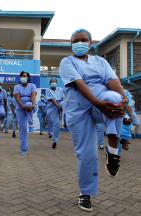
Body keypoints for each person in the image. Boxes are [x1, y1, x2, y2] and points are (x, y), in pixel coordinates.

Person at [59, 29, 126, 212]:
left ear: (90, 43)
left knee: (115, 99)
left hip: (100, 98)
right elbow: (80, 84)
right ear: (71, 43)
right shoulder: (67, 62)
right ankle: (85, 193)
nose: (79, 43)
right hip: (79, 109)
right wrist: (98, 103)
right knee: (87, 153)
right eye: (76, 40)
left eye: (83, 40)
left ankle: (113, 150)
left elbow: (112, 81)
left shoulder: (100, 61)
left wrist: (123, 98)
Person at [13, 71, 37, 155]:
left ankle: (30, 122)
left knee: (28, 103)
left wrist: (33, 105)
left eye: (25, 76)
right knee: (22, 129)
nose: (23, 77)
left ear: (28, 78)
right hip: (20, 108)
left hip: (31, 107)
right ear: (20, 77)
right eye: (22, 76)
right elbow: (17, 98)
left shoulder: (32, 86)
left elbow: (33, 96)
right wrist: (23, 106)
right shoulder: (17, 87)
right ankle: (24, 149)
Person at [46, 78, 64, 149]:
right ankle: (52, 136)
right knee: (55, 123)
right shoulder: (48, 90)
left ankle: (55, 141)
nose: (53, 83)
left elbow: (64, 98)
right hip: (52, 108)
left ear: (56, 82)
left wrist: (61, 106)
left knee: (57, 125)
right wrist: (57, 106)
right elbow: (52, 99)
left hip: (60, 105)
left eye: (54, 81)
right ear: (50, 83)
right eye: (52, 82)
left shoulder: (60, 89)